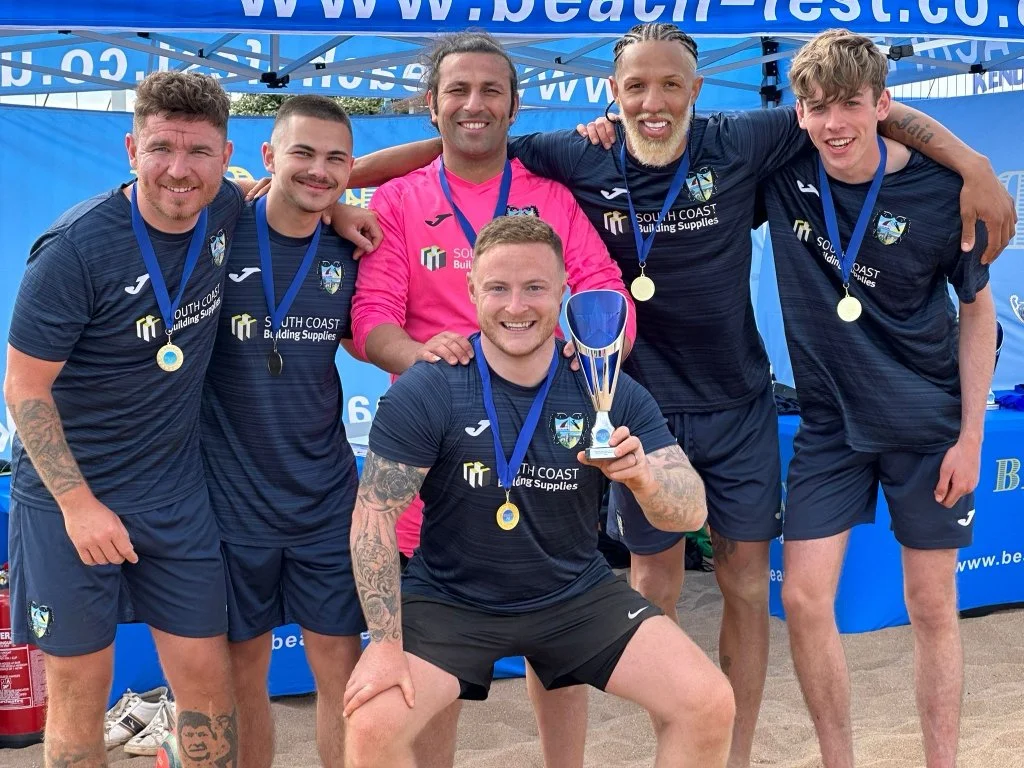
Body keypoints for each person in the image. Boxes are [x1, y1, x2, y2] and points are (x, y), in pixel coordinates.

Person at [349, 22, 1015, 768]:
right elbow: (463, 146)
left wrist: (972, 159)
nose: (653, 101)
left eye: (671, 84)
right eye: (637, 86)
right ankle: (670, 739)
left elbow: (866, 109)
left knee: (741, 581)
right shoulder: (573, 152)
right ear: (613, 93)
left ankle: (727, 757)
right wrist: (341, 183)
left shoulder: (748, 138)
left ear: (697, 91)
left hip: (738, 406)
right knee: (651, 581)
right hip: (638, 406)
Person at [342, 215, 735, 768]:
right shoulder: (430, 386)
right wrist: (383, 645)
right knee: (373, 726)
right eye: (498, 288)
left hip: (575, 596)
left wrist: (644, 477)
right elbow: (374, 520)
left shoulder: (603, 387)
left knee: (708, 702)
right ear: (472, 291)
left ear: (562, 293)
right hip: (454, 600)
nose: (517, 306)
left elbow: (690, 508)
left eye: (535, 288)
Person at [348, 31, 637, 768]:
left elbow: (603, 289)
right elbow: (370, 319)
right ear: (432, 105)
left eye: (490, 91)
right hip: (436, 471)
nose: (474, 105)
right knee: (434, 668)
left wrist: (594, 346)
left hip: (546, 451)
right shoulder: (398, 198)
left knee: (560, 641)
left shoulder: (549, 197)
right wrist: (426, 359)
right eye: (458, 91)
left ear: (513, 106)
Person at [760, 30, 996, 768]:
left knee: (931, 608)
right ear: (799, 112)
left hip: (925, 424)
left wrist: (970, 438)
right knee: (803, 599)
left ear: (882, 105)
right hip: (830, 428)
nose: (834, 124)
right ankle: (839, 761)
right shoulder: (785, 167)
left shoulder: (939, 188)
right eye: (818, 107)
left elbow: (979, 310)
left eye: (850, 106)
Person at [4, 71, 243, 768]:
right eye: (162, 148)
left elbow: (296, 183)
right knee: (81, 688)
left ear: (226, 156)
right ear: (131, 146)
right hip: (68, 501)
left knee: (205, 678)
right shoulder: (75, 248)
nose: (179, 169)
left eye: (198, 152)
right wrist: (79, 506)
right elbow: (24, 389)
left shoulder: (225, 207)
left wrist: (344, 211)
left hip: (173, 494)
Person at [200, 95, 364, 768]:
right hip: (230, 502)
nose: (318, 171)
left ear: (351, 168)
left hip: (325, 500)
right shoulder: (217, 227)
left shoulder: (355, 247)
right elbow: (157, 187)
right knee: (243, 681)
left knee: (343, 681)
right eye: (302, 153)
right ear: (267, 158)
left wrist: (343, 208)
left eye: (335, 159)